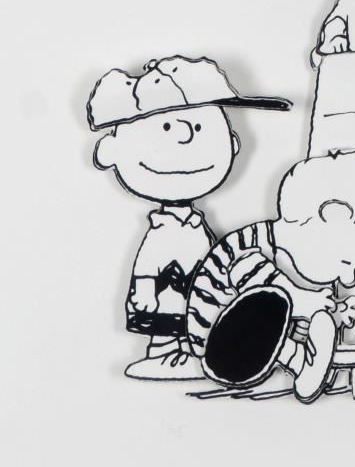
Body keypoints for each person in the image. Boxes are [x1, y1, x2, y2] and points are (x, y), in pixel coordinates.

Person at [87, 55, 291, 380]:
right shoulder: (160, 231)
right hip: (165, 292)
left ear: (232, 143)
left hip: (199, 291)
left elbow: (210, 259)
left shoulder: (197, 228)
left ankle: (191, 351)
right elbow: (149, 261)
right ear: (110, 152)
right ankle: (161, 352)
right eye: (166, 126)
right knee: (165, 322)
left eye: (198, 127)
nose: (184, 135)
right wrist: (145, 288)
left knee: (195, 318)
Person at [187, 150, 355, 403]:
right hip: (220, 350)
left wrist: (334, 312)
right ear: (333, 215)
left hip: (248, 345)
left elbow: (291, 311)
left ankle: (306, 367)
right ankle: (302, 366)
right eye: (348, 262)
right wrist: (304, 300)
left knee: (282, 309)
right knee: (267, 302)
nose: (349, 281)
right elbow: (249, 276)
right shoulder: (255, 244)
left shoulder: (289, 261)